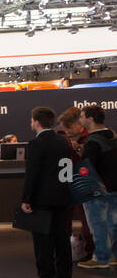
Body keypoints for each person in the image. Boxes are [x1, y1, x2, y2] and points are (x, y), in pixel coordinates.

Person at [20, 106, 74, 278]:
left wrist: (26, 198)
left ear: (36, 121)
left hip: (42, 199)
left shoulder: (36, 144)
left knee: (43, 241)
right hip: (62, 197)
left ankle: (45, 277)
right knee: (62, 239)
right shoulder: (63, 141)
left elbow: (32, 174)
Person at [76, 104, 117, 270]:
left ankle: (101, 257)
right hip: (114, 186)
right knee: (114, 223)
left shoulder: (92, 141)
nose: (80, 119)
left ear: (90, 119)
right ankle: (114, 256)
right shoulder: (113, 135)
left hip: (98, 188)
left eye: (82, 116)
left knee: (97, 223)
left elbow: (87, 167)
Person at [57, 107, 94, 261]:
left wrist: (77, 148)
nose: (67, 131)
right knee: (65, 220)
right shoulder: (62, 137)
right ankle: (64, 251)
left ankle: (92, 252)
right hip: (66, 181)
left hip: (85, 181)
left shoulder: (90, 138)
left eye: (69, 128)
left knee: (89, 220)